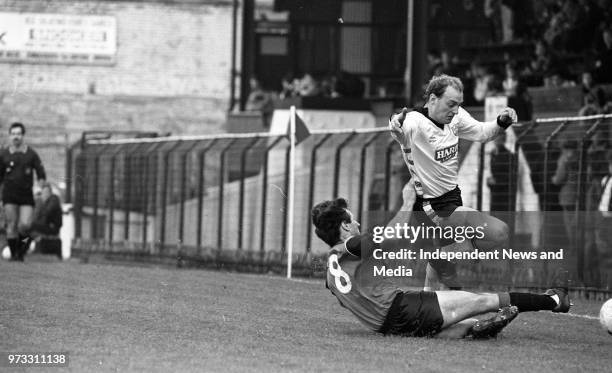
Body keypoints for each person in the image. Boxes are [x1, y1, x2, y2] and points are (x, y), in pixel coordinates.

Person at [311, 180, 571, 339]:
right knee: (483, 300)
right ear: (344, 227)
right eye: (352, 220)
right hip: (401, 307)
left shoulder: (329, 274)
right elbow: (390, 236)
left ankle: (479, 330)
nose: (356, 222)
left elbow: (354, 300)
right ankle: (555, 300)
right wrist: (407, 201)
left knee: (458, 325)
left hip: (386, 326)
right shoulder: (351, 244)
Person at [388, 74, 517, 290]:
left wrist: (501, 122)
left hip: (453, 199)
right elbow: (400, 130)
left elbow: (483, 133)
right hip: (431, 206)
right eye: (451, 104)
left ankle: (430, 300)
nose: (455, 110)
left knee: (444, 282)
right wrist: (395, 126)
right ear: (432, 99)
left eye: (458, 104)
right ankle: (440, 259)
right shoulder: (414, 122)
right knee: (498, 232)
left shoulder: (455, 118)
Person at [0, 122, 46, 261]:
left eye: (18, 134)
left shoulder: (31, 154)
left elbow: (41, 174)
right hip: (9, 195)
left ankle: (21, 249)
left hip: (26, 196)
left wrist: (39, 187)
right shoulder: (4, 154)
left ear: (23, 135)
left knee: (25, 225)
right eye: (13, 134)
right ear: (10, 136)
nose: (16, 137)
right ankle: (15, 255)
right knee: (12, 224)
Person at [30, 181, 63, 257]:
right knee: (28, 229)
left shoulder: (54, 200)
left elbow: (46, 213)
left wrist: (40, 203)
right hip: (46, 225)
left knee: (30, 227)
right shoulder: (43, 201)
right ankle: (23, 246)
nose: (45, 194)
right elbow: (38, 216)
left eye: (47, 192)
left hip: (53, 228)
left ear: (50, 192)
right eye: (43, 192)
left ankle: (22, 246)